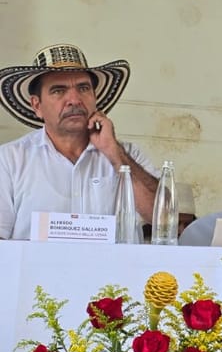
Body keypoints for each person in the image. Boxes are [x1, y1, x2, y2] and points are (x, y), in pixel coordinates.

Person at [0, 44, 158, 240]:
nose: (74, 100)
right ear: (37, 105)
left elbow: (164, 220)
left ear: (95, 97)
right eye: (58, 90)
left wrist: (114, 153)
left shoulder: (127, 155)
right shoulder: (9, 160)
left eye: (83, 88)